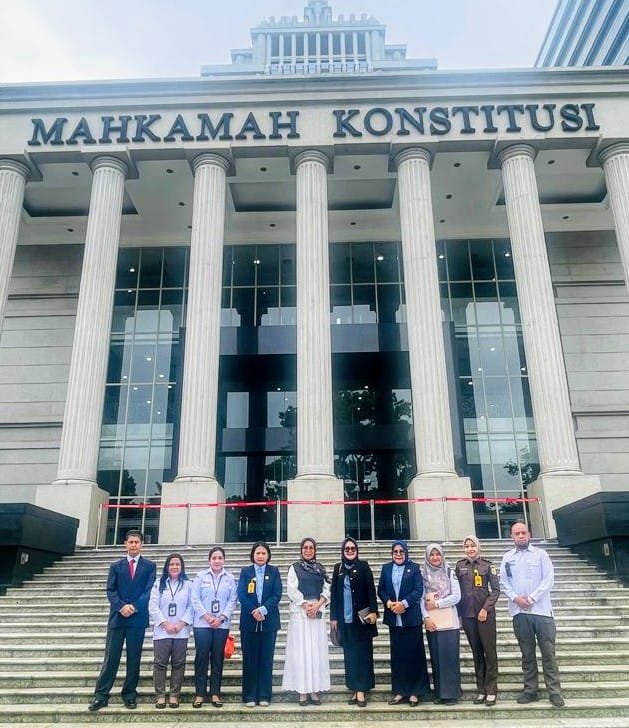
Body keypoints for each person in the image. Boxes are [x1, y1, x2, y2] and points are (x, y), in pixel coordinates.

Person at [88, 529, 156, 711]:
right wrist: (121, 606)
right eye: (130, 542)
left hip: (137, 619)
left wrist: (134, 606)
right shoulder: (116, 566)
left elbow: (149, 591)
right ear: (125, 544)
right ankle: (101, 695)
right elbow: (110, 590)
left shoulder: (150, 566)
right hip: (117, 618)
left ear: (142, 544)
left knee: (134, 659)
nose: (133, 545)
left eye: (137, 542)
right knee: (111, 658)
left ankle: (129, 694)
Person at [500, 520, 565, 709]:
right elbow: (503, 582)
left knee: (548, 654)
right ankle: (530, 691)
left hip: (542, 612)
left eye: (523, 533)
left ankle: (554, 692)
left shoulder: (541, 555)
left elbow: (549, 579)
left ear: (529, 534)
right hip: (520, 613)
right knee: (527, 654)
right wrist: (516, 599)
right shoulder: (507, 558)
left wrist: (531, 598)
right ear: (512, 537)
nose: (520, 536)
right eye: (517, 533)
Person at [377, 539, 432, 707]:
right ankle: (400, 691)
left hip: (411, 618)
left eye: (401, 551)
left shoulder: (414, 568)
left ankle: (415, 692)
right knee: (398, 656)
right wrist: (389, 603)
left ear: (406, 553)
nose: (398, 554)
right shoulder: (386, 568)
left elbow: (418, 590)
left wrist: (404, 604)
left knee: (414, 655)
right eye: (395, 552)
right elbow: (381, 590)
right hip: (394, 618)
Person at [282, 537, 331, 706]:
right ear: (301, 550)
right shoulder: (294, 568)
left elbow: (327, 588)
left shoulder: (321, 569)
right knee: (301, 652)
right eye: (305, 547)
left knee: (315, 652)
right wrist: (305, 604)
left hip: (317, 612)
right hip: (300, 614)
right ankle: (302, 691)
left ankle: (314, 690)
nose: (308, 550)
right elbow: (291, 589)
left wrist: (317, 605)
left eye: (311, 548)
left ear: (315, 550)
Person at [330, 537, 378, 708]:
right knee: (350, 656)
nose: (350, 551)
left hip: (362, 619)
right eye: (347, 549)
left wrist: (374, 611)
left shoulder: (363, 566)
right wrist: (333, 617)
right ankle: (354, 688)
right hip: (345, 620)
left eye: (353, 548)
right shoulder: (338, 568)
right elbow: (334, 593)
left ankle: (361, 690)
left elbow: (371, 589)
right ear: (343, 551)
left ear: (357, 551)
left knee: (363, 655)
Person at [455, 535, 500, 707]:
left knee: (490, 652)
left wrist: (485, 609)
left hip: (485, 615)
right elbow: (457, 592)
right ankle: (481, 689)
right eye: (467, 546)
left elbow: (495, 591)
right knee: (477, 653)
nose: (470, 549)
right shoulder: (460, 566)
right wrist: (459, 615)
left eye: (472, 545)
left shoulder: (488, 565)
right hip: (468, 615)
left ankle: (491, 690)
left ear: (478, 547)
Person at [191, 546, 238, 709]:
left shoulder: (230, 578)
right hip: (202, 624)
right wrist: (207, 617)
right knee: (201, 658)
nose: (217, 561)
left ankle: (215, 693)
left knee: (218, 659)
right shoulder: (200, 576)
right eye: (214, 558)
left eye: (220, 558)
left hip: (221, 625)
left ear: (224, 560)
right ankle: (199, 694)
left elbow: (233, 600)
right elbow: (194, 598)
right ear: (209, 560)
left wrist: (221, 617)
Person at [237, 540, 282, 708]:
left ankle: (264, 695)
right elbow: (241, 594)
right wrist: (254, 611)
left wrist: (263, 609)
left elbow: (277, 594)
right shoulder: (246, 572)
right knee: (250, 659)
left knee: (266, 660)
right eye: (258, 553)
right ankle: (249, 695)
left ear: (268, 555)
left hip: (269, 622)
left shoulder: (274, 571)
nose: (261, 556)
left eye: (263, 553)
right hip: (249, 622)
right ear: (253, 555)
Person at [148, 553, 193, 709]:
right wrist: (165, 623)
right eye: (171, 564)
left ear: (182, 567)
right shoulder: (158, 583)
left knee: (178, 664)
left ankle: (174, 696)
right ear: (167, 567)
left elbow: (192, 606)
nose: (174, 567)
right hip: (162, 632)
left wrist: (182, 623)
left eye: (177, 564)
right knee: (160, 664)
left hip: (181, 631)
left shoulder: (188, 584)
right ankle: (160, 696)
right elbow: (153, 606)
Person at [420, 542, 462, 705]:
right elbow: (421, 599)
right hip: (433, 623)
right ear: (427, 557)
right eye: (432, 555)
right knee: (437, 658)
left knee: (450, 658)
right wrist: (426, 618)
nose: (435, 557)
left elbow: (457, 596)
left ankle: (452, 694)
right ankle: (440, 693)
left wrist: (437, 604)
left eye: (438, 554)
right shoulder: (423, 574)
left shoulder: (449, 571)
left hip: (450, 622)